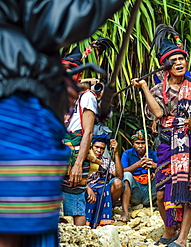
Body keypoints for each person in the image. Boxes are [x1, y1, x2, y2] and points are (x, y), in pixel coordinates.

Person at [0, 0, 124, 246]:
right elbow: (56, 20)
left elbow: (87, 132)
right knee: (21, 222)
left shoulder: (85, 96)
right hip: (18, 107)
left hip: (27, 109)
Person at [131, 34, 191, 247]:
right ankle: (170, 230)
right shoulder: (159, 90)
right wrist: (144, 89)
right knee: (161, 193)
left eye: (181, 59)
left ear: (186, 61)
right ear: (166, 66)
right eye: (173, 60)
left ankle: (183, 239)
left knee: (187, 193)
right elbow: (158, 114)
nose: (178, 63)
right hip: (167, 143)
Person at [62, 69, 100, 226]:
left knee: (76, 202)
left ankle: (81, 239)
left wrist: (78, 164)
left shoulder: (87, 97)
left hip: (75, 155)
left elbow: (88, 132)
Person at [118, 129, 158, 222]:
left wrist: (154, 166)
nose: (140, 146)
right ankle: (126, 213)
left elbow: (163, 167)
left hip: (149, 190)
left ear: (147, 143)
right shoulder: (127, 154)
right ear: (133, 143)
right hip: (135, 190)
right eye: (137, 143)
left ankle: (159, 205)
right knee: (126, 175)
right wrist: (137, 165)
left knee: (162, 173)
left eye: (143, 143)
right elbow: (121, 172)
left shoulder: (153, 153)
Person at [85, 135, 123, 227]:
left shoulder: (106, 161)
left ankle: (104, 217)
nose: (99, 150)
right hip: (85, 188)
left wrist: (116, 153)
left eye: (102, 148)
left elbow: (120, 176)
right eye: (96, 147)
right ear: (91, 147)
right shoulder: (84, 159)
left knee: (112, 184)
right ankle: (89, 220)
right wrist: (88, 188)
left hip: (102, 190)